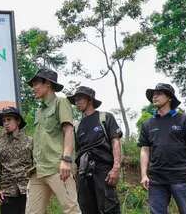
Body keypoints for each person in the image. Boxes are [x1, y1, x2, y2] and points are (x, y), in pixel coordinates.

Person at [138, 83, 186, 214]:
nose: (154, 96)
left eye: (159, 94)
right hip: (156, 178)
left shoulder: (182, 119)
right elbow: (144, 150)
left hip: (180, 177)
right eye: (153, 94)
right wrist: (144, 174)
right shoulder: (147, 124)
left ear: (169, 98)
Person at [25, 68, 80, 214]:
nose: (33, 88)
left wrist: (66, 160)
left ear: (48, 84)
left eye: (36, 84)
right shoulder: (39, 111)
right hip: (38, 170)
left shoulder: (60, 102)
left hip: (58, 167)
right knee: (32, 212)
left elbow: (68, 130)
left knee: (71, 209)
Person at [69, 86, 122, 214]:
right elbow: (76, 152)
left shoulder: (105, 118)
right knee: (86, 209)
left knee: (109, 208)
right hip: (83, 174)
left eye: (80, 98)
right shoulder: (77, 126)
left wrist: (115, 168)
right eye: (75, 100)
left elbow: (115, 142)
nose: (77, 102)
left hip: (103, 171)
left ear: (90, 100)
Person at [0, 107, 32, 214]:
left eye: (9, 119)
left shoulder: (30, 142)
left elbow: (36, 166)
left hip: (28, 190)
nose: (6, 123)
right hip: (7, 192)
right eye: (4, 121)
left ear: (18, 121)